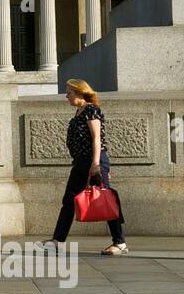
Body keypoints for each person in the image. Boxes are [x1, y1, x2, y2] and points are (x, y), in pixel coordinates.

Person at [40, 78, 127, 255]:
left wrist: (97, 164)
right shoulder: (79, 112)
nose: (66, 96)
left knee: (105, 200)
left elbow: (97, 138)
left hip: (92, 162)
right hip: (80, 163)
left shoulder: (91, 110)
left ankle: (120, 243)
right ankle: (57, 240)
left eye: (69, 93)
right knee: (69, 200)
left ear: (80, 93)